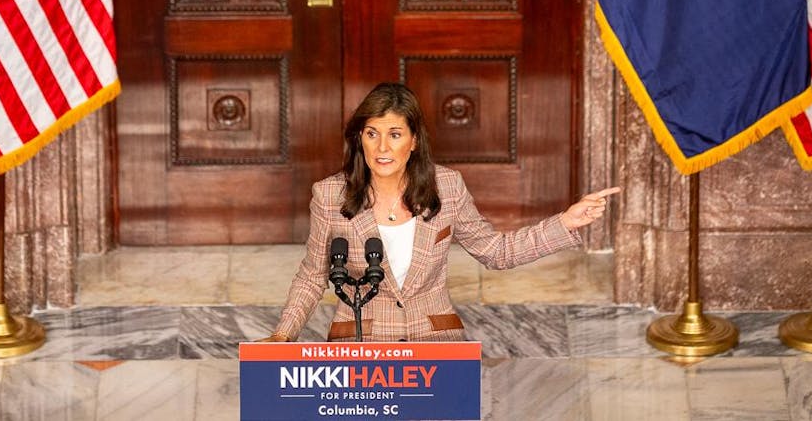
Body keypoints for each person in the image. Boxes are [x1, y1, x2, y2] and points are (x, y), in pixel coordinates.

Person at [265, 82, 621, 342]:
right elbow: (313, 276)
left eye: (394, 134)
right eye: (372, 134)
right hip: (361, 340)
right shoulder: (329, 195)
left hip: (435, 340)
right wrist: (283, 335)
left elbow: (497, 252)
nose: (382, 147)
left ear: (414, 140)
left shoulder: (447, 187)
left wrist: (565, 222)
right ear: (359, 138)